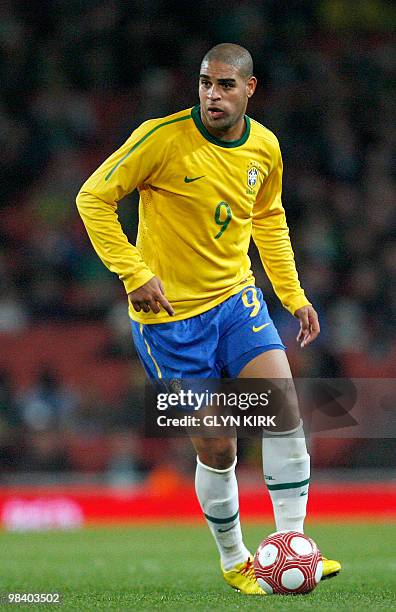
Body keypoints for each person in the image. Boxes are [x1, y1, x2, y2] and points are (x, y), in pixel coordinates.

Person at [76, 43, 341, 595]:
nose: (212, 95)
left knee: (282, 407)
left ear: (250, 89)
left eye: (224, 85)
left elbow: (267, 217)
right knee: (218, 445)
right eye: (204, 83)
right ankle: (235, 558)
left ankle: (294, 543)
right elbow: (92, 199)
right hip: (168, 321)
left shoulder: (265, 146)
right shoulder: (162, 138)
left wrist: (292, 295)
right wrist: (132, 271)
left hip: (236, 301)